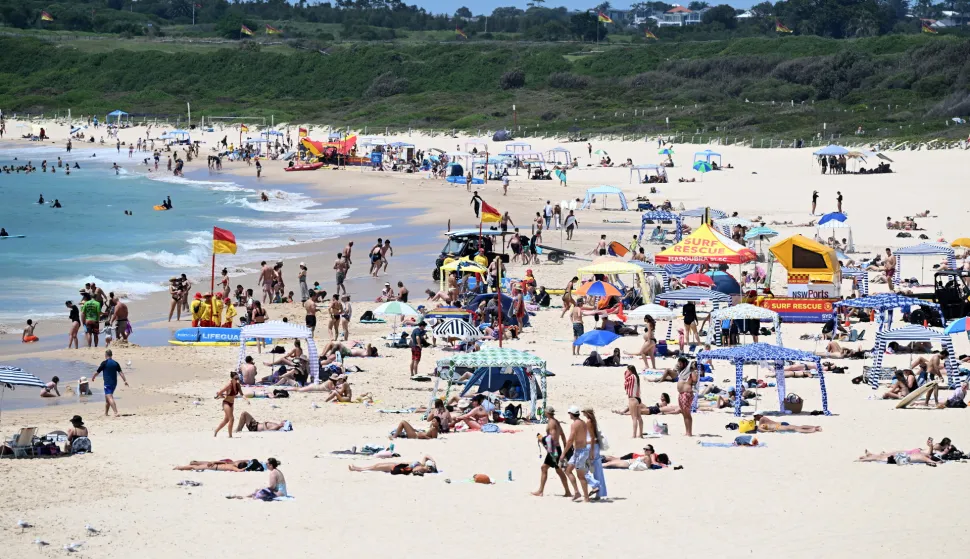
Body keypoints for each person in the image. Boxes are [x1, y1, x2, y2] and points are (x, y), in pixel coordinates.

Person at [532, 407, 571, 497]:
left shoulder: (551, 423)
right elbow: (562, 435)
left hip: (553, 450)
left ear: (547, 413)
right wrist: (564, 447)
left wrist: (542, 439)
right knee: (558, 471)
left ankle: (540, 491)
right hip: (557, 449)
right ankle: (567, 492)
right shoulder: (556, 421)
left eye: (544, 412)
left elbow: (552, 438)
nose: (543, 413)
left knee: (544, 468)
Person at [560, 405, 591, 502]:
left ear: (572, 414)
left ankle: (586, 497)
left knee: (580, 475)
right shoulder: (583, 423)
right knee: (568, 470)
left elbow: (570, 440)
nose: (569, 415)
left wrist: (563, 453)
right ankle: (577, 492)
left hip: (580, 452)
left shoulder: (575, 424)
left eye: (569, 413)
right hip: (579, 451)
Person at [90, 349, 129, 417]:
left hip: (108, 383)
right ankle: (106, 413)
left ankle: (116, 412)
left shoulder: (104, 363)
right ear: (111, 355)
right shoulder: (115, 363)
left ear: (106, 355)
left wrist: (93, 377)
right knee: (107, 398)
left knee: (109, 397)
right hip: (114, 383)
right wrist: (125, 380)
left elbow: (98, 371)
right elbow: (121, 373)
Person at [582, 407, 606, 500]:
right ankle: (600, 493)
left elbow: (591, 437)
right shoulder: (593, 421)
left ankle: (595, 485)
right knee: (598, 470)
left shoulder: (588, 421)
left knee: (583, 469)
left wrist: (591, 451)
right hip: (596, 446)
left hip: (591, 447)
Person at [858, 439, 937, 466]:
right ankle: (866, 458)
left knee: (881, 458)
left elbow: (930, 460)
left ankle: (867, 458)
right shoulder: (923, 457)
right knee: (881, 458)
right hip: (902, 458)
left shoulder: (922, 456)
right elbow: (930, 460)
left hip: (903, 458)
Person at [214, 371, 246, 437]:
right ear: (232, 379)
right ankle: (230, 435)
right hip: (226, 403)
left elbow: (242, 394)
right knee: (232, 418)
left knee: (226, 420)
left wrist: (246, 400)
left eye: (238, 378)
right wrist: (220, 396)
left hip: (232, 403)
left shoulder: (237, 385)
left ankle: (216, 430)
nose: (237, 380)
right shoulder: (229, 385)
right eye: (236, 378)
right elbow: (220, 392)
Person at [348, 455, 438, 476]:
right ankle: (358, 468)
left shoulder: (422, 468)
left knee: (376, 467)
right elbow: (426, 455)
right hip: (398, 465)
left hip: (398, 467)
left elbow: (414, 471)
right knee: (377, 465)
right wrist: (434, 462)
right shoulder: (422, 464)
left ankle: (357, 469)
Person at [677, 359, 697, 437]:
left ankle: (689, 432)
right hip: (681, 394)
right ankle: (687, 431)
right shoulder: (683, 373)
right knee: (684, 414)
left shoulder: (692, 372)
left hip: (686, 394)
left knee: (687, 413)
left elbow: (695, 380)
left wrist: (694, 370)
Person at [624, 365, 643, 439]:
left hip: (632, 399)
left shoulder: (632, 377)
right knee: (639, 417)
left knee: (634, 417)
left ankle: (634, 435)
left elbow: (626, 382)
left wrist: (626, 374)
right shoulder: (636, 377)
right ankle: (640, 434)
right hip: (638, 398)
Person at [755, 414, 822, 433]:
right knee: (798, 426)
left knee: (796, 429)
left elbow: (760, 429)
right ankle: (815, 427)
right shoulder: (764, 419)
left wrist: (769, 430)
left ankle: (812, 430)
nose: (755, 418)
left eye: (755, 416)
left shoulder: (762, 419)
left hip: (779, 427)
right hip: (781, 424)